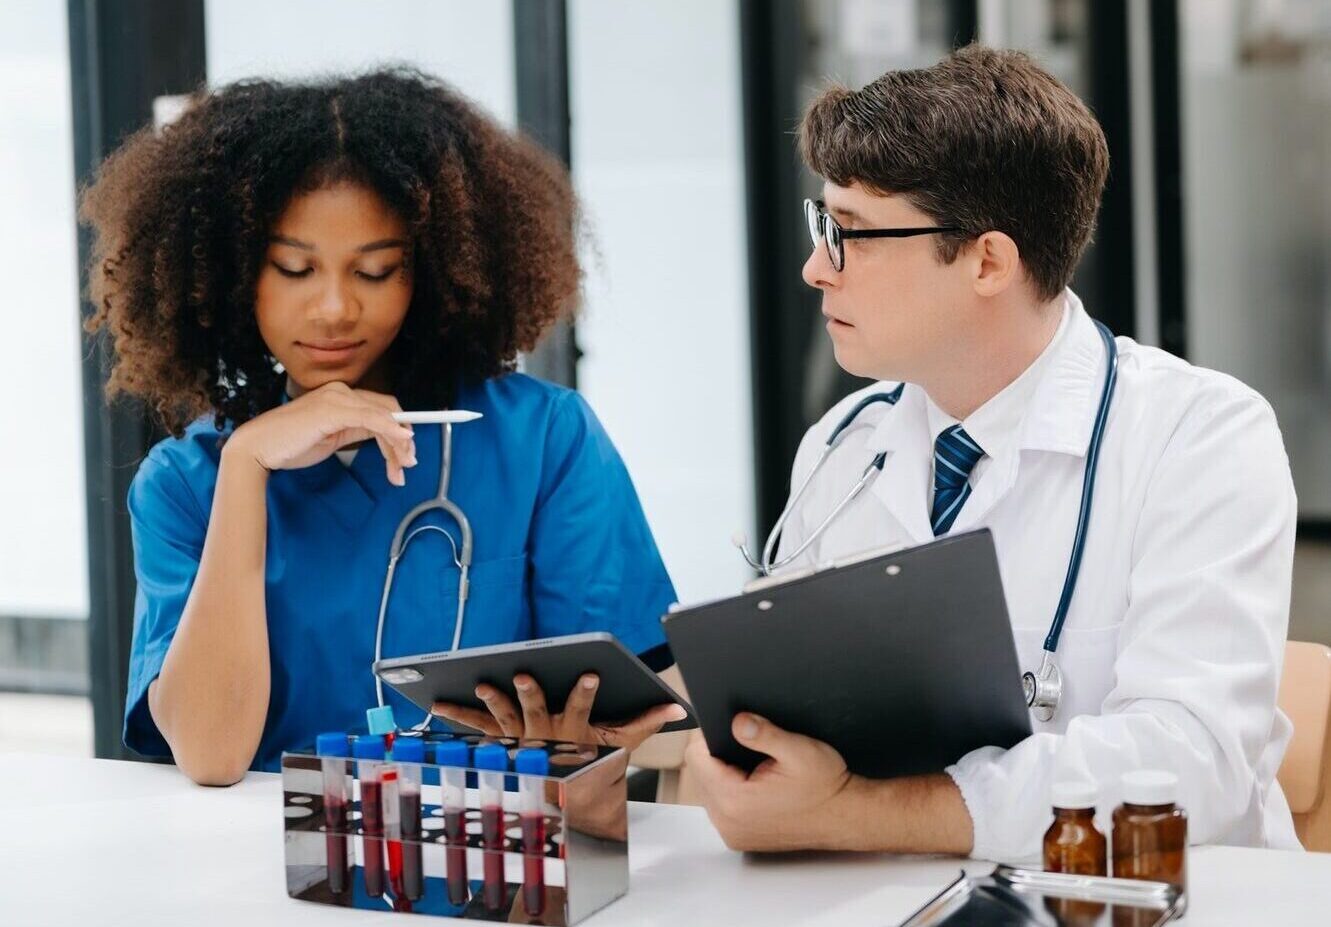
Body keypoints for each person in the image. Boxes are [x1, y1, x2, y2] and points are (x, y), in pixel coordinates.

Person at [686, 45, 1302, 860]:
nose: (812, 269)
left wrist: (860, 812)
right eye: (820, 225)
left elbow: (1192, 770)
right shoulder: (844, 444)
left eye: (852, 235)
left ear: (986, 260)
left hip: (1153, 899)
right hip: (894, 890)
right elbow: (799, 707)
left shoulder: (1201, 437)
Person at [81, 68, 684, 785]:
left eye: (375, 272)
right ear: (235, 273)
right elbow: (211, 756)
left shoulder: (544, 441)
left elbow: (658, 723)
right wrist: (246, 464)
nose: (334, 308)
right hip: (262, 880)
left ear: (429, 273)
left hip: (489, 864)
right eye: (294, 268)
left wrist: (580, 741)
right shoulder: (187, 485)